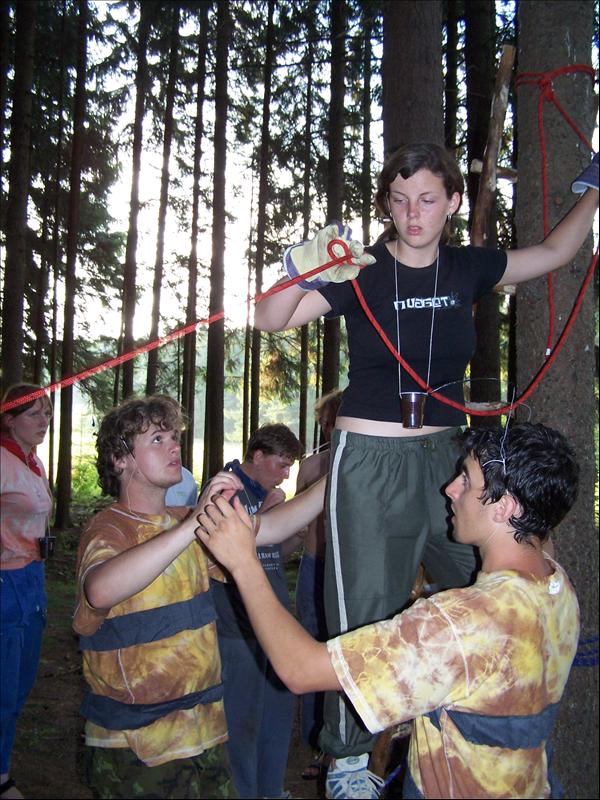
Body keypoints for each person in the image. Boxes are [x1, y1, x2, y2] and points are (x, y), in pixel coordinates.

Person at [253, 144, 598, 797]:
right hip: (371, 459)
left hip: (448, 458)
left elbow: (554, 253)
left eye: (428, 199)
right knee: (362, 606)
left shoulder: (468, 267)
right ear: (387, 204)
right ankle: (348, 762)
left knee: (491, 578)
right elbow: (269, 319)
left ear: (452, 202)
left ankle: (485, 704)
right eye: (401, 200)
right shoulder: (361, 270)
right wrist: (301, 270)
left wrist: (595, 191)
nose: (413, 214)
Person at [196, 421, 581, 800]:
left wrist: (243, 563)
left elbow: (300, 669)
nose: (449, 489)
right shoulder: (555, 584)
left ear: (505, 507)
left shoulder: (458, 625)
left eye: (466, 480)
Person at [72, 395, 242, 799]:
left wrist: (334, 480)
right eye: (157, 439)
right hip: (136, 746)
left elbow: (269, 530)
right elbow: (99, 590)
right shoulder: (109, 529)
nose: (174, 447)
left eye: (175, 437)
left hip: (204, 732)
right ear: (120, 459)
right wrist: (194, 523)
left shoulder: (183, 523)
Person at [208, 423, 302, 800]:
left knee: (275, 713)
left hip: (274, 618)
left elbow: (270, 553)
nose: (286, 475)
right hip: (237, 624)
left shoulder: (264, 492)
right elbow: (216, 555)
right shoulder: (225, 488)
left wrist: (294, 530)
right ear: (258, 456)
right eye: (282, 464)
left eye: (290, 466)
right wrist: (267, 512)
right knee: (241, 719)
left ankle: (270, 789)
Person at [1, 384, 53, 800]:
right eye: (33, 414)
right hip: (5, 583)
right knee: (3, 687)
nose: (44, 421)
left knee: (20, 686)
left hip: (33, 578)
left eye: (47, 412)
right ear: (9, 419)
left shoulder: (33, 462)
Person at [294, 390, 341, 776]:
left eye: (333, 422)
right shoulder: (310, 466)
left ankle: (337, 743)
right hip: (313, 565)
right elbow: (296, 519)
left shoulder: (361, 463)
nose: (327, 429)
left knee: (340, 648)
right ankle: (313, 738)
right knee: (310, 644)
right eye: (324, 423)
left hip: (345, 569)